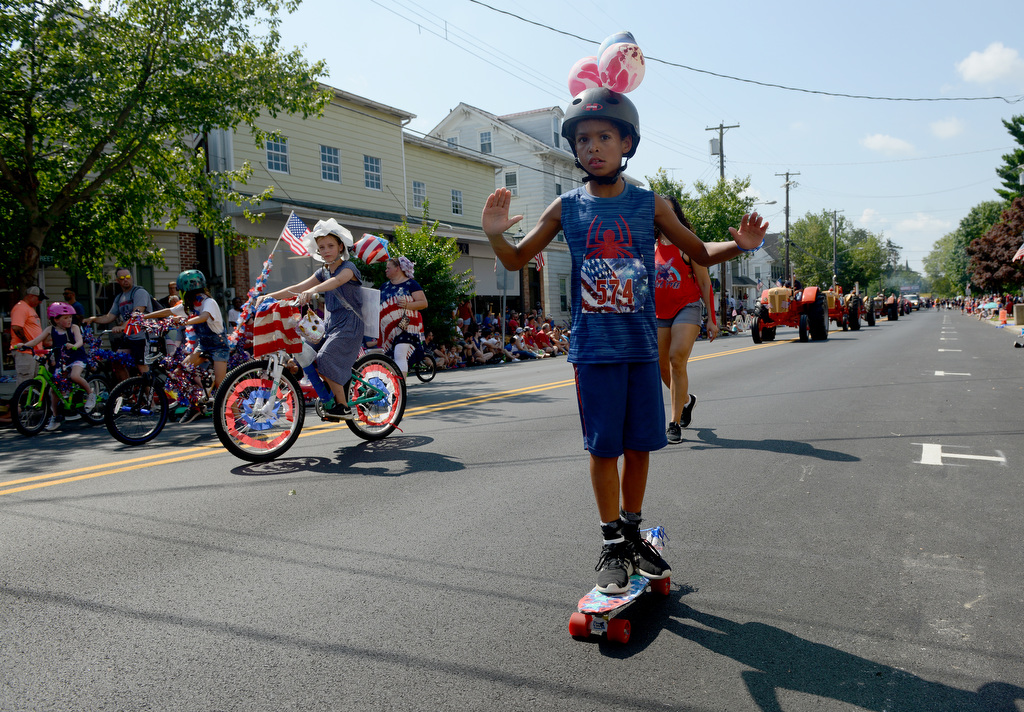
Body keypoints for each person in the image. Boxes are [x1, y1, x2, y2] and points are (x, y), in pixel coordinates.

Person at [482, 87, 768, 595]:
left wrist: (740, 246)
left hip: (639, 347)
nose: (594, 147)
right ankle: (612, 542)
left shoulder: (649, 205)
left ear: (627, 144)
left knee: (639, 447)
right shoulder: (565, 206)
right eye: (584, 139)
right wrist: (496, 234)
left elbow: (698, 249)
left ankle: (633, 532)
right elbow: (514, 261)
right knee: (602, 449)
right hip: (594, 351)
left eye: (605, 137)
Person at [261, 219, 363, 420]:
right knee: (303, 352)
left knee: (325, 358)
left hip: (349, 324)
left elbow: (337, 281)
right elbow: (299, 287)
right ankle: (328, 390)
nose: (326, 250)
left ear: (341, 246)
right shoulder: (323, 271)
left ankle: (343, 407)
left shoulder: (349, 268)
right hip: (329, 324)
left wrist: (313, 290)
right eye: (322, 247)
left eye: (331, 246)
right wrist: (270, 296)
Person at [654, 195, 718, 444]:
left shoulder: (688, 243)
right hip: (659, 312)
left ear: (676, 214)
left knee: (676, 359)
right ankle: (688, 400)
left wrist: (712, 319)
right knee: (662, 367)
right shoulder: (650, 246)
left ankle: (673, 423)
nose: (664, 216)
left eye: (669, 211)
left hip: (688, 306)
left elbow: (704, 282)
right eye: (659, 212)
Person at [144, 270, 229, 423]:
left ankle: (236, 419)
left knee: (222, 387)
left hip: (219, 347)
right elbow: (168, 311)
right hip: (203, 346)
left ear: (185, 291)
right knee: (178, 373)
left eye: (180, 291)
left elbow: (203, 317)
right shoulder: (189, 305)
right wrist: (144, 316)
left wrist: (184, 321)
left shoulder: (208, 302)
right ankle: (196, 405)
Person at [16, 302, 95, 431]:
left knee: (74, 376)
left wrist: (74, 345)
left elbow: (80, 340)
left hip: (76, 358)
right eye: (65, 318)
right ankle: (55, 416)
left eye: (70, 317)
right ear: (55, 319)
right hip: (61, 361)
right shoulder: (50, 330)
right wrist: (24, 345)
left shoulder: (74, 327)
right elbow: (36, 341)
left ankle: (90, 394)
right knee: (54, 389)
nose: (69, 319)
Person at [83, 268, 152, 380]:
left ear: (132, 277)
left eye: (128, 277)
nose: (125, 280)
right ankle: (127, 392)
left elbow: (137, 312)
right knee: (117, 362)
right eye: (122, 278)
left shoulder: (139, 292)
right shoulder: (120, 298)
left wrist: (122, 326)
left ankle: (150, 394)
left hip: (143, 336)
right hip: (130, 337)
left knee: (142, 366)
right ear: (117, 281)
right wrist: (93, 319)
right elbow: (109, 317)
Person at [379, 256, 428, 376]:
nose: (386, 270)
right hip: (388, 330)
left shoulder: (411, 284)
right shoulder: (384, 286)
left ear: (398, 268)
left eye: (388, 268)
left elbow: (423, 303)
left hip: (406, 325)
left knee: (400, 354)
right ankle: (396, 388)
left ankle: (401, 387)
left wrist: (407, 305)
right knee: (392, 358)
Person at [10, 286, 46, 386]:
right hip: (25, 351)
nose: (40, 302)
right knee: (25, 382)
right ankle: (21, 401)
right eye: (40, 299)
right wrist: (27, 343)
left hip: (35, 352)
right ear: (31, 296)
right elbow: (16, 327)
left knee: (37, 382)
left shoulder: (30, 309)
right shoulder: (21, 307)